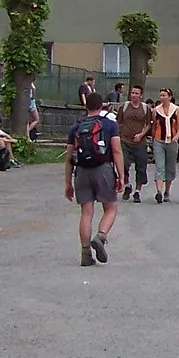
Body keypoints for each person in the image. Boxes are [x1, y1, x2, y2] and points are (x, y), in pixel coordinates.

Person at [64, 90, 124, 265]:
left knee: (86, 213)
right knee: (111, 208)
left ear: (86, 106)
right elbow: (117, 150)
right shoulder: (108, 125)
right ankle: (101, 236)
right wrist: (121, 176)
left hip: (82, 171)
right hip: (103, 168)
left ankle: (85, 254)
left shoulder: (76, 127)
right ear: (102, 106)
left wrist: (68, 183)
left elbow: (69, 158)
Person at [118, 84, 153, 204]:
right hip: (125, 140)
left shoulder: (145, 108)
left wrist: (141, 134)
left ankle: (137, 191)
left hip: (139, 142)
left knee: (141, 167)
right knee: (124, 164)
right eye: (132, 93)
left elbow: (148, 124)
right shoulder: (125, 107)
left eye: (136, 93)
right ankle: (127, 184)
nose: (134, 95)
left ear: (141, 95)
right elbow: (119, 122)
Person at [150, 88, 179, 203]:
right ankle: (159, 191)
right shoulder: (156, 110)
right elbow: (154, 126)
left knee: (170, 166)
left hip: (172, 140)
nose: (162, 97)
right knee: (160, 166)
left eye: (164, 95)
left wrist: (176, 137)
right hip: (159, 140)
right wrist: (153, 139)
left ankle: (167, 190)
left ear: (169, 97)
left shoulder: (176, 109)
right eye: (160, 95)